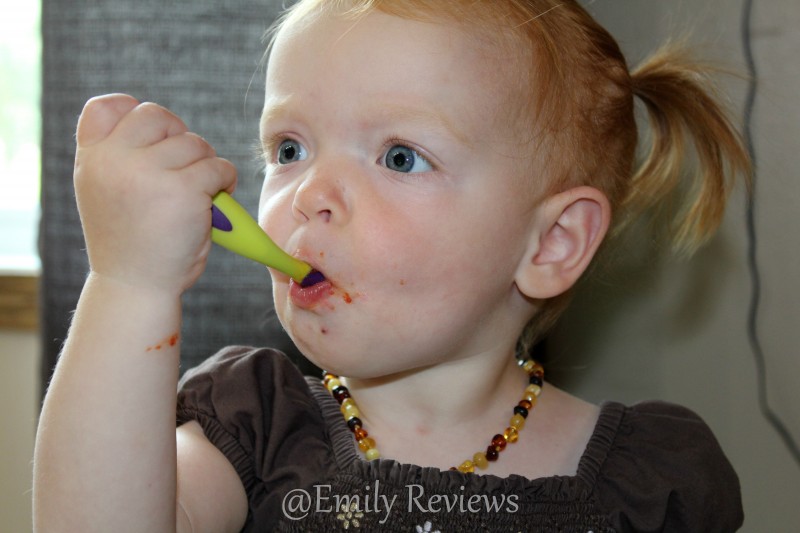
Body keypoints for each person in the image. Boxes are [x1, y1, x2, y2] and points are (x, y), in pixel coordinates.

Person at [33, 0, 751, 531]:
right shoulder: (252, 426)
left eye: (400, 157)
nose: (309, 193)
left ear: (552, 242)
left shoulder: (658, 484)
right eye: (289, 148)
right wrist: (129, 285)